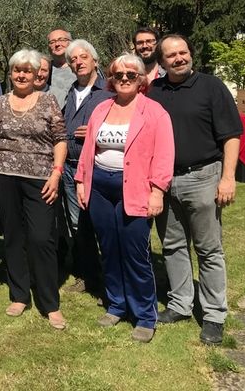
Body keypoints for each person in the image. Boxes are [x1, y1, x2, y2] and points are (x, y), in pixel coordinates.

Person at [148, 34, 243, 345]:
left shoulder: (211, 86)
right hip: (165, 181)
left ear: (190, 53)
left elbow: (231, 135)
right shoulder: (155, 91)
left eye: (183, 52)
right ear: (161, 62)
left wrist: (228, 177)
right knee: (172, 246)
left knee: (208, 249)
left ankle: (214, 315)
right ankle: (180, 305)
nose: (179, 58)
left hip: (203, 177)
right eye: (171, 55)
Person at [74, 54, 175, 343]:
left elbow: (164, 155)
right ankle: (116, 304)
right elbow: (89, 148)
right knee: (109, 249)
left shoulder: (155, 112)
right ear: (111, 79)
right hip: (99, 188)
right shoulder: (102, 108)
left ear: (141, 79)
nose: (125, 79)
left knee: (136, 254)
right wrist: (81, 181)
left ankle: (144, 315)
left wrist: (157, 191)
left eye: (131, 74)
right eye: (119, 75)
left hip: (136, 189)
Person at [0, 49, 68, 330]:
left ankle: (50, 303)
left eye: (27, 71)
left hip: (40, 178)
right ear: (11, 73)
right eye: (17, 70)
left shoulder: (48, 101)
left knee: (42, 238)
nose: (21, 75)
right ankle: (19, 295)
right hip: (4, 178)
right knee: (13, 236)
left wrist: (56, 173)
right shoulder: (0, 103)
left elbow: (60, 139)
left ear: (35, 75)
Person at [61, 39, 112, 294]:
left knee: (103, 223)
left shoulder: (108, 91)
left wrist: (96, 131)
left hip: (96, 167)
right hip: (70, 169)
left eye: (83, 57)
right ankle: (88, 276)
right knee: (78, 224)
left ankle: (110, 278)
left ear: (95, 60)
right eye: (73, 60)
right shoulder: (71, 91)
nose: (78, 62)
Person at [46, 29, 77, 109]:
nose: (57, 44)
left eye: (61, 40)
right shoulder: (44, 70)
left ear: (70, 43)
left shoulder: (82, 67)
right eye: (52, 42)